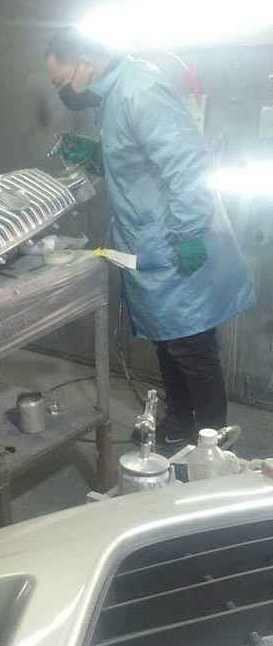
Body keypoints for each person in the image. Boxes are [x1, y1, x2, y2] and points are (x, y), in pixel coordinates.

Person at [45, 27, 254, 445]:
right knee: (167, 341)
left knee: (191, 345)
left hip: (176, 240)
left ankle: (211, 443)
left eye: (62, 81)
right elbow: (137, 160)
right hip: (150, 243)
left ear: (85, 61)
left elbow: (186, 167)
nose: (63, 92)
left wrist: (189, 232)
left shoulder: (140, 91)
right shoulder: (114, 96)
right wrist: (97, 154)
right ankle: (181, 423)